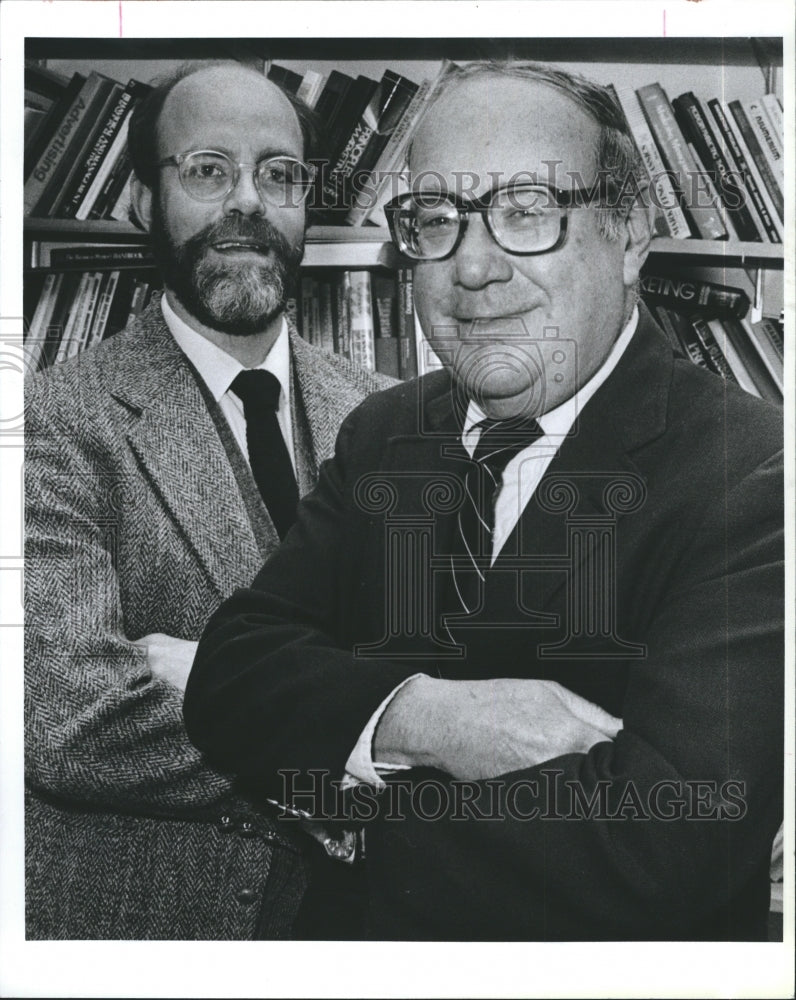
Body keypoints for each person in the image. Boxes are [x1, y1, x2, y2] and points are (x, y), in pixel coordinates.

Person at [184, 62, 784, 940]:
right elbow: (237, 671)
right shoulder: (387, 431)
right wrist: (434, 718)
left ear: (628, 236)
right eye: (434, 220)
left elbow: (666, 844)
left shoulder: (757, 475)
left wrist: (350, 812)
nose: (470, 267)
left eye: (527, 210)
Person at [24, 61, 392, 940]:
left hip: (365, 932)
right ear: (146, 204)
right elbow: (75, 718)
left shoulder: (388, 416)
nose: (249, 203)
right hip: (149, 931)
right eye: (206, 170)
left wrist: (232, 688)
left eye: (280, 174)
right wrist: (366, 751)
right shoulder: (49, 423)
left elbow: (446, 657)